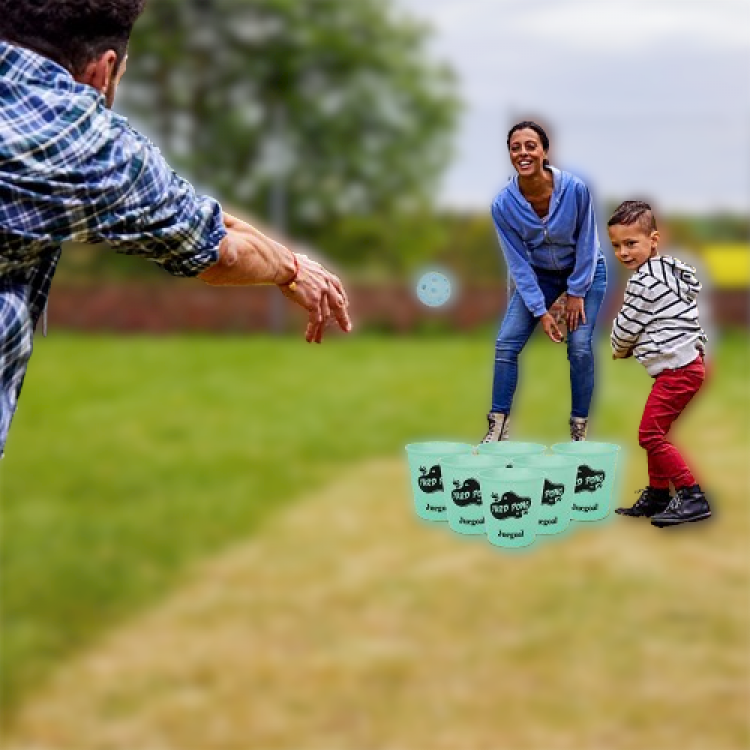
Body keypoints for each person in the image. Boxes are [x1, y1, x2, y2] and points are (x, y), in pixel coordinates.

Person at [0, 1, 352, 460]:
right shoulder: (83, 144)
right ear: (103, 70)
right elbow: (219, 251)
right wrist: (290, 271)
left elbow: (199, 218)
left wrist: (286, 259)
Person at [484, 121, 607, 442]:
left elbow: (587, 242)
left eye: (530, 146)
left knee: (579, 346)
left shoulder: (576, 190)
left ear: (544, 151)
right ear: (510, 154)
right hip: (539, 275)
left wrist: (576, 292)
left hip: (587, 270)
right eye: (515, 147)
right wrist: (541, 310)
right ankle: (498, 428)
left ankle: (579, 428)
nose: (523, 153)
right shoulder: (503, 205)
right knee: (506, 343)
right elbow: (518, 263)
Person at [608, 201, 711, 527]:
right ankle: (657, 494)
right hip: (685, 364)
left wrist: (618, 348)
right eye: (616, 245)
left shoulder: (643, 283)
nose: (623, 252)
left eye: (631, 243)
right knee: (657, 430)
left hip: (678, 370)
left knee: (650, 434)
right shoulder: (668, 271)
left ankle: (692, 495)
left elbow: (626, 326)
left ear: (654, 239)